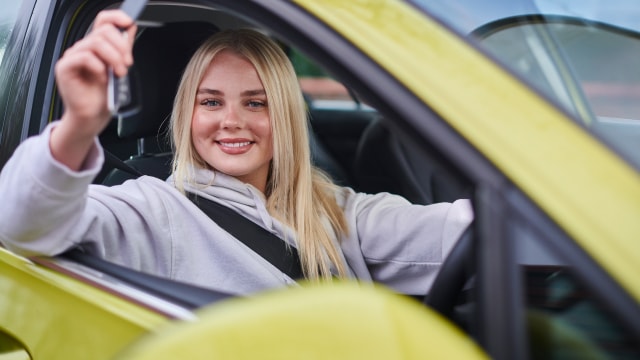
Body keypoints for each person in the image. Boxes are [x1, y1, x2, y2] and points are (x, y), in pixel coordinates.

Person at [0, 10, 472, 296]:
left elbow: (450, 233)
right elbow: (20, 224)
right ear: (187, 114)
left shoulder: (329, 208)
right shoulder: (154, 209)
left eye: (256, 102)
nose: (232, 120)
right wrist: (80, 126)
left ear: (284, 116)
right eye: (210, 102)